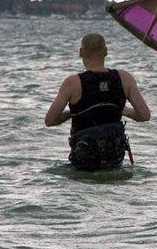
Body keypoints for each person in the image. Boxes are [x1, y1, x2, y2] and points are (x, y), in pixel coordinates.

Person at [45, 33, 151, 169]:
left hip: (84, 163)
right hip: (114, 160)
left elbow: (50, 121)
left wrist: (74, 112)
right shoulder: (125, 78)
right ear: (105, 51)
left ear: (81, 52)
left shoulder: (72, 83)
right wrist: (123, 110)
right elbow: (144, 115)